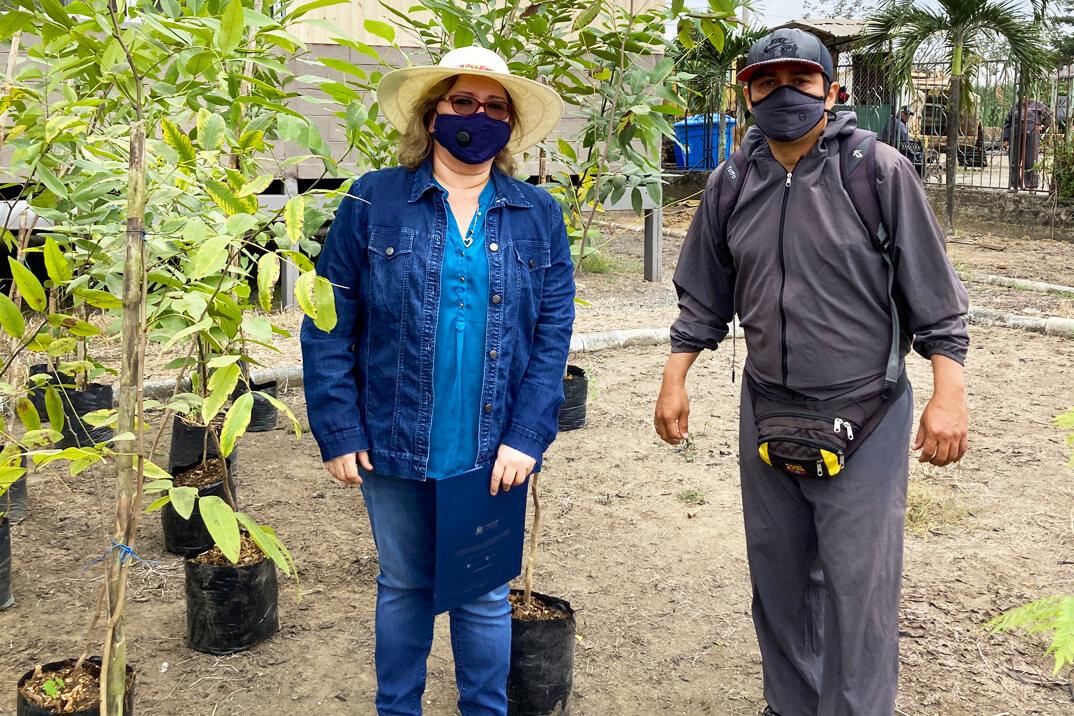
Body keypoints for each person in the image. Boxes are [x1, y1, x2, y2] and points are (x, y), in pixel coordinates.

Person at [654, 28, 969, 716]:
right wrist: (675, 377)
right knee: (780, 580)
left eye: (800, 80)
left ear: (832, 90)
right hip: (765, 408)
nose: (784, 94)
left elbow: (938, 303)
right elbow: (704, 296)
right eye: (766, 82)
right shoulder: (731, 182)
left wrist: (949, 393)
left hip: (868, 411)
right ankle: (789, 705)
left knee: (860, 591)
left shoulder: (877, 172)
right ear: (746, 94)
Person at [300, 46, 574, 716]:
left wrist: (528, 435)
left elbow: (552, 335)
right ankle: (399, 708)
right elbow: (328, 322)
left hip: (491, 445)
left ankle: (485, 709)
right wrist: (337, 429)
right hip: (390, 435)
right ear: (431, 113)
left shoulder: (537, 213)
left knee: (482, 591)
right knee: (404, 584)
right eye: (462, 102)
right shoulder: (372, 201)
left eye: (494, 106)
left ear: (509, 126)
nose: (477, 116)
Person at [1003, 98, 1052, 189]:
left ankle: (1031, 184)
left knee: (1031, 159)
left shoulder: (1037, 104)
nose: (1024, 97)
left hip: (1032, 133)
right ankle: (1014, 184)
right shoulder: (1015, 107)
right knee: (1014, 159)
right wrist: (1005, 139)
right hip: (1016, 134)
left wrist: (1043, 126)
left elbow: (1049, 114)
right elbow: (1007, 122)